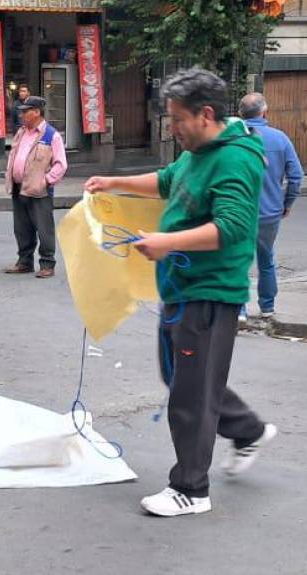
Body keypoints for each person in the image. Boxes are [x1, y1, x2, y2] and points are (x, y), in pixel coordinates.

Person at [85, 68, 276, 518]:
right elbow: (170, 180)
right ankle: (247, 430)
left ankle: (191, 488)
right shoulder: (199, 150)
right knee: (182, 379)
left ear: (206, 114)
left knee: (190, 394)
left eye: (177, 120)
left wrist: (164, 243)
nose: (172, 129)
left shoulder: (236, 160)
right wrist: (114, 182)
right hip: (182, 288)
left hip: (209, 294)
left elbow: (231, 228)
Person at [240, 92, 302, 319]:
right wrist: (287, 203)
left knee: (239, 260)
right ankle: (267, 307)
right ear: (264, 112)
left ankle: (239, 310)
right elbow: (296, 176)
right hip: (270, 213)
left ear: (240, 114)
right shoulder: (280, 138)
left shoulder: (232, 139)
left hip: (238, 213)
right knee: (266, 259)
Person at [2, 96, 67, 279]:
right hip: (18, 186)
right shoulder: (21, 132)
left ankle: (47, 263)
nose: (21, 114)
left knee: (43, 227)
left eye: (25, 111)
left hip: (39, 189)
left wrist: (45, 181)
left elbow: (61, 165)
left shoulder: (51, 135)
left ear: (37, 112)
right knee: (22, 227)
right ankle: (24, 261)